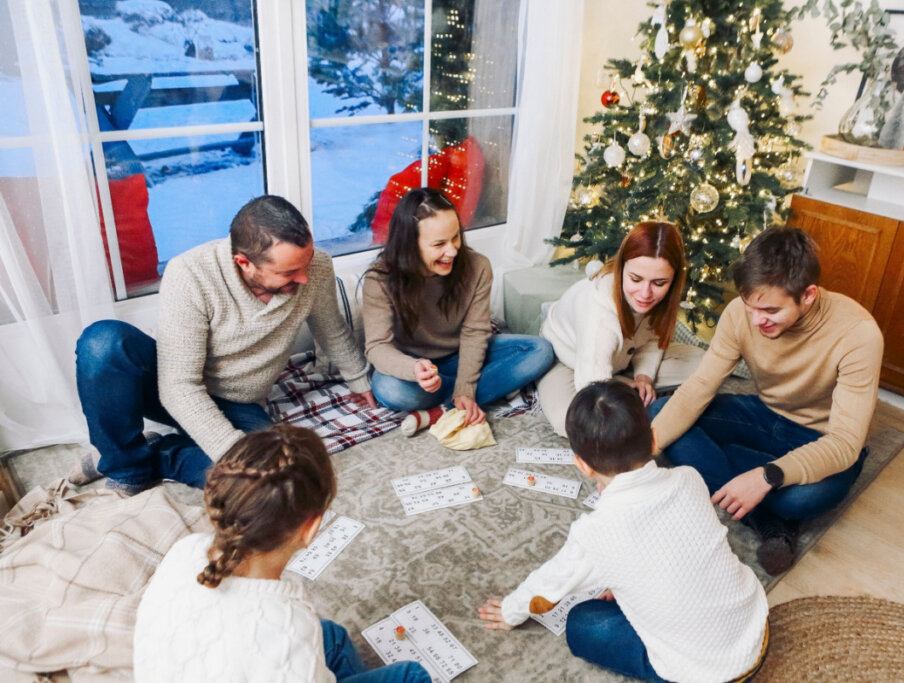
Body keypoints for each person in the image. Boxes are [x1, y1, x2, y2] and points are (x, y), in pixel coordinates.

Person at [73, 195, 374, 494]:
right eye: (288, 272)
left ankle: (148, 452)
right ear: (244, 263)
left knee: (272, 477)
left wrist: (359, 380)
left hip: (238, 402)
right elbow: (179, 387)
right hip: (171, 386)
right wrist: (232, 450)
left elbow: (331, 329)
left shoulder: (316, 268)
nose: (305, 277)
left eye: (305, 263)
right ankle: (127, 467)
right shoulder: (189, 274)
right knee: (102, 342)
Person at [479, 381, 768, 682]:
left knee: (581, 623)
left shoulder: (594, 533)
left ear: (583, 466)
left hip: (704, 671)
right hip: (755, 629)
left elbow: (548, 586)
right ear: (654, 439)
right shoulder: (689, 477)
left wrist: (511, 610)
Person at [649, 226, 884, 575]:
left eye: (770, 311)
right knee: (660, 412)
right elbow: (699, 387)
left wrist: (766, 476)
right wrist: (639, 454)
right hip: (763, 416)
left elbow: (846, 443)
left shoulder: (859, 334)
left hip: (822, 437)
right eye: (750, 307)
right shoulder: (740, 313)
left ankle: (763, 493)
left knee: (801, 498)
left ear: (808, 295)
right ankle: (769, 519)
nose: (757, 321)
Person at [133, 423, 430, 682]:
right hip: (272, 652)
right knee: (413, 675)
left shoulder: (186, 549)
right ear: (310, 529)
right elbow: (280, 636)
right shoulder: (288, 624)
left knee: (333, 636)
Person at [362, 187, 553, 436]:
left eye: (455, 237)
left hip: (461, 355)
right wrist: (415, 369)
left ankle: (442, 409)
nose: (452, 251)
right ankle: (483, 389)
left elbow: (475, 332)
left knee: (540, 351)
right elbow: (377, 347)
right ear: (409, 244)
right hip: (415, 367)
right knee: (390, 390)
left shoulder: (477, 267)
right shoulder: (380, 279)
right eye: (439, 244)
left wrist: (465, 388)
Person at [537, 221, 704, 436]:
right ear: (621, 267)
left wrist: (644, 376)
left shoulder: (663, 299)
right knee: (570, 422)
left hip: (624, 358)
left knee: (703, 362)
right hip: (568, 360)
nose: (645, 294)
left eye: (659, 283)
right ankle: (622, 385)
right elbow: (592, 386)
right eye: (635, 279)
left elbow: (652, 340)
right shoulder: (599, 311)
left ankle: (623, 384)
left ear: (673, 281)